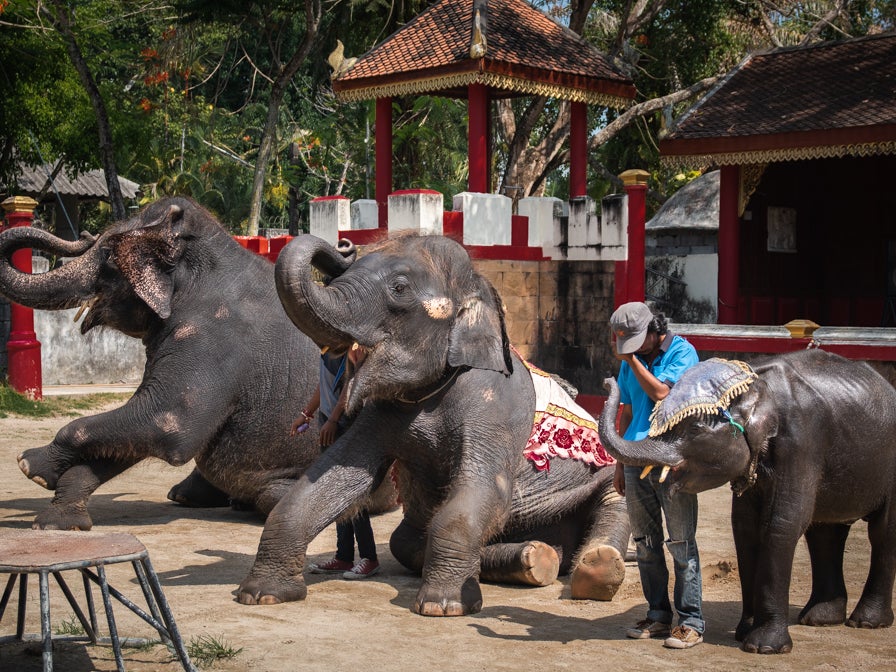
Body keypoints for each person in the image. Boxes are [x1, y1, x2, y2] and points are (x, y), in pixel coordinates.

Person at [609, 301, 703, 649]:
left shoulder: (682, 352)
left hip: (671, 460)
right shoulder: (630, 359)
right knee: (645, 544)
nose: (632, 349)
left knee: (680, 542)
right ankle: (658, 615)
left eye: (636, 342)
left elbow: (663, 394)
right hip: (635, 460)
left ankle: (691, 621)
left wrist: (630, 359)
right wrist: (620, 461)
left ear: (655, 329)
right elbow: (628, 410)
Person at [291, 344, 379, 580]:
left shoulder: (352, 347)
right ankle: (344, 556)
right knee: (335, 491)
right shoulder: (326, 347)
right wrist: (307, 413)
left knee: (350, 491)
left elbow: (351, 385)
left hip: (346, 423)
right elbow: (325, 384)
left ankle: (369, 557)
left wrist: (334, 419)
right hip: (329, 422)